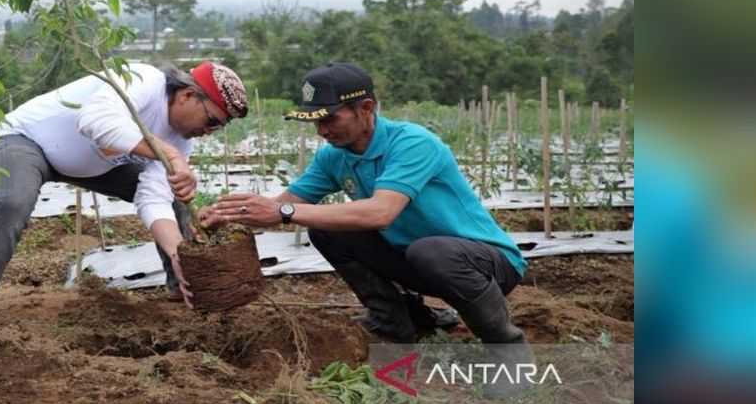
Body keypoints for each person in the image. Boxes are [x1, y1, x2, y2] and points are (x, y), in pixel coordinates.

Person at [199, 63, 529, 371]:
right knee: (327, 230)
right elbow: (285, 203)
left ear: (366, 109)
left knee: (429, 251)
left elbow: (381, 213)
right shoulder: (334, 156)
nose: (321, 131)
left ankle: (507, 350)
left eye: (330, 119)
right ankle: (396, 323)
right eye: (315, 121)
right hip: (416, 261)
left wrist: (286, 212)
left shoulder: (413, 143)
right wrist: (227, 214)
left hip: (485, 265)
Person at [0, 60, 249, 361]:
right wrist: (167, 154)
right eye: (212, 122)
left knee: (174, 189)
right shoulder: (142, 79)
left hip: (91, 165)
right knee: (12, 204)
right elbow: (95, 120)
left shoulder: (179, 141)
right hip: (27, 141)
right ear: (187, 95)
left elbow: (154, 198)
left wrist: (176, 252)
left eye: (218, 128)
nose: (209, 132)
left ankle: (182, 284)